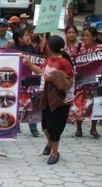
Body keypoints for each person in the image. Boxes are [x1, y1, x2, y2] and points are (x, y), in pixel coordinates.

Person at [24, 35, 74, 165]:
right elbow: (40, 71)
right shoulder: (48, 60)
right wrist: (28, 63)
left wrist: (54, 78)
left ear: (50, 47)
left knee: (54, 128)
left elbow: (68, 81)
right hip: (47, 98)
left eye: (45, 43)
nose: (43, 45)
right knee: (45, 126)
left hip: (60, 101)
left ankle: (55, 153)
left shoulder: (63, 62)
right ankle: (50, 144)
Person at [74, 26, 102, 139]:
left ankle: (93, 128)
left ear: (95, 37)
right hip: (82, 81)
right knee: (80, 103)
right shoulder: (79, 48)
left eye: (88, 36)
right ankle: (79, 128)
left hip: (96, 81)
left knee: (96, 103)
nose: (85, 38)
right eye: (84, 35)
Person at [11, 28, 40, 137]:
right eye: (27, 35)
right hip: (19, 82)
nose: (29, 37)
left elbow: (38, 61)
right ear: (19, 38)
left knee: (32, 104)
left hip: (31, 81)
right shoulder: (13, 50)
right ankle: (16, 127)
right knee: (18, 105)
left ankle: (33, 128)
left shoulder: (31, 47)